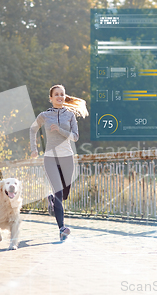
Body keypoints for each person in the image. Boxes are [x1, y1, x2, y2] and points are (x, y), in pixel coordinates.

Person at [30, 85, 89, 241]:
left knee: (64, 194)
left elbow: (75, 137)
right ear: (51, 98)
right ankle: (62, 228)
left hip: (67, 157)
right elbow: (32, 129)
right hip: (50, 157)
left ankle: (50, 200)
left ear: (64, 97)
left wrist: (60, 130)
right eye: (56, 95)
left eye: (62, 94)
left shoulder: (69, 115)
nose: (59, 97)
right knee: (58, 192)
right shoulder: (44, 115)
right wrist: (34, 148)